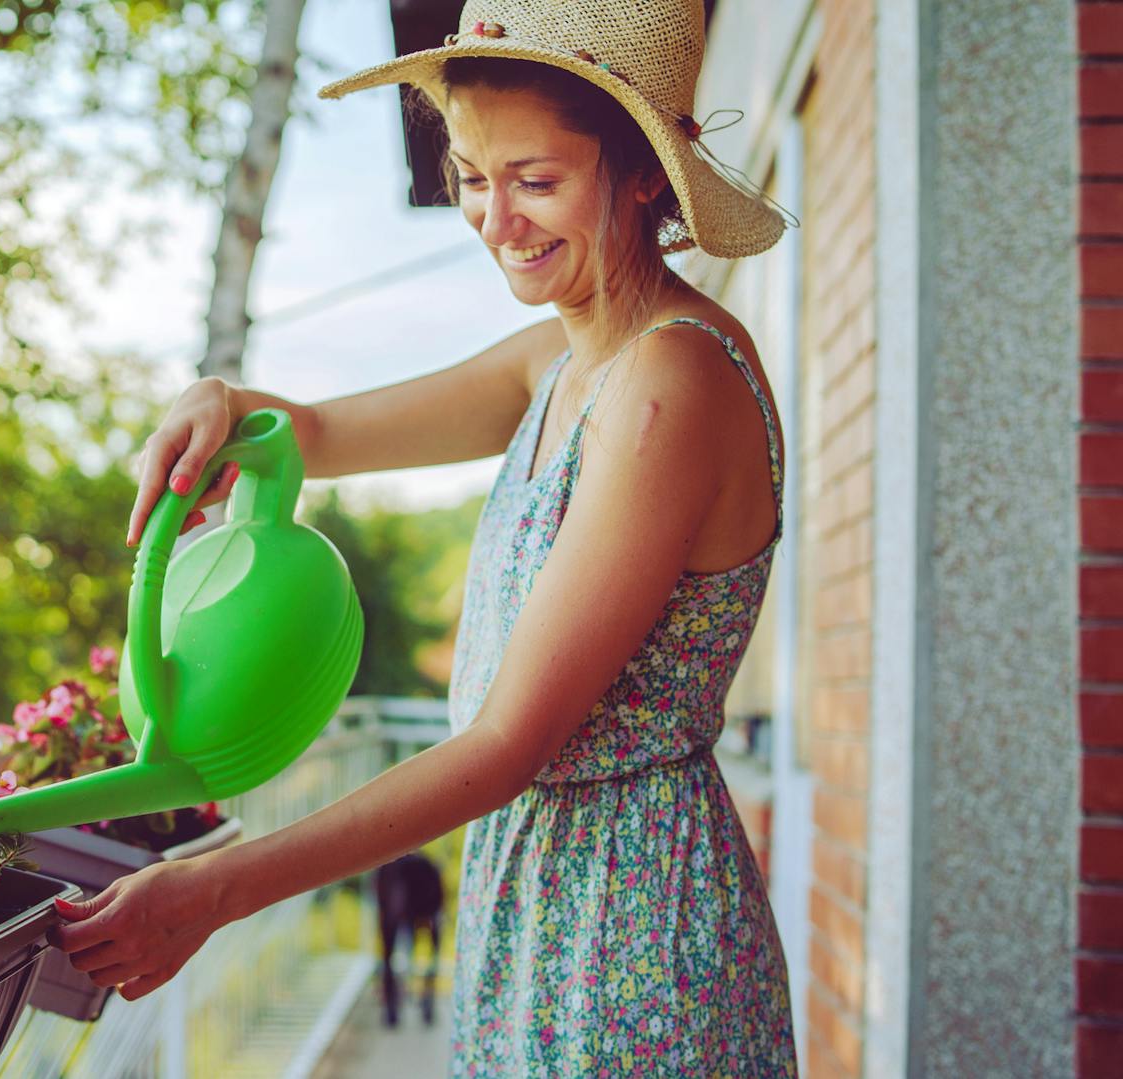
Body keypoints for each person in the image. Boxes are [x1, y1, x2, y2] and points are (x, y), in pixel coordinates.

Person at [46, 1, 799, 1072]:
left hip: (631, 920)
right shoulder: (559, 357)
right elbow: (304, 431)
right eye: (471, 175)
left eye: (535, 180)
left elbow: (505, 746)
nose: (497, 219)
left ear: (642, 172)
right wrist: (220, 399)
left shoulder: (667, 384)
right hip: (532, 896)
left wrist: (216, 888)